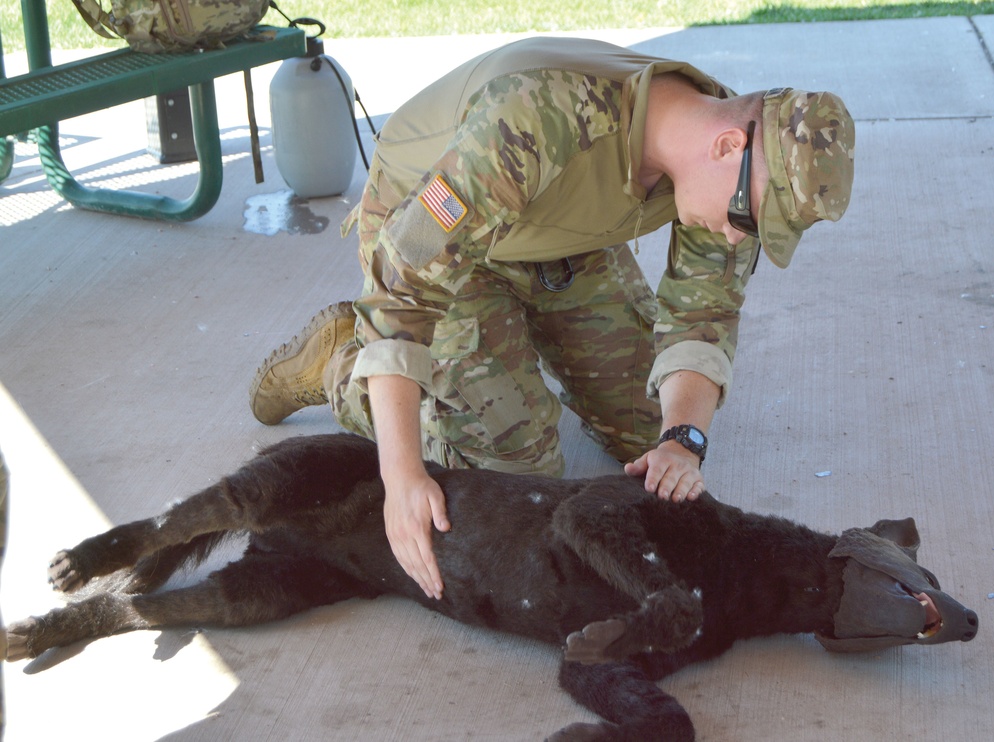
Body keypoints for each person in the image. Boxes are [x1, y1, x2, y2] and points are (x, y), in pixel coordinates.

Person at [249, 36, 855, 601]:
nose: (736, 232)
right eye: (747, 218)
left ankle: (515, 334)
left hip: (555, 232)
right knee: (513, 467)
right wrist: (401, 476)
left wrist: (681, 442)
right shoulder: (531, 119)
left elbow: (706, 309)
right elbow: (403, 288)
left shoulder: (726, 153)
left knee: (654, 431)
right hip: (431, 246)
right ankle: (340, 365)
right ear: (727, 147)